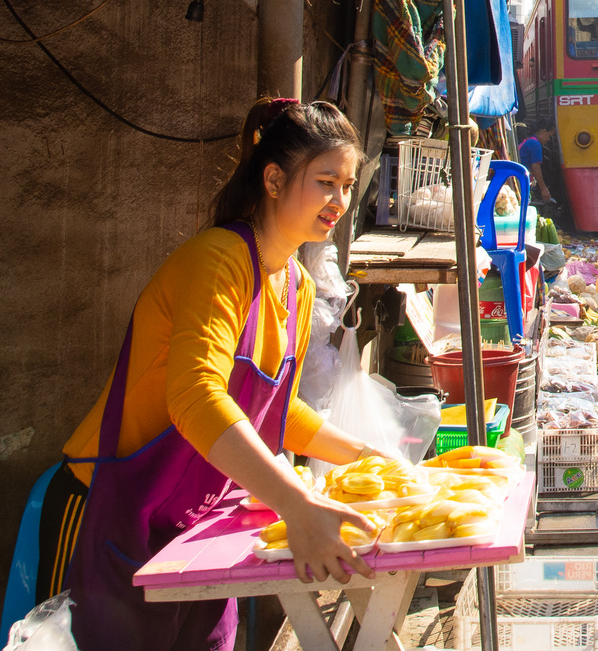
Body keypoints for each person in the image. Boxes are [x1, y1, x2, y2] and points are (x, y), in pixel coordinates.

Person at [40, 99, 375, 648]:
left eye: (347, 184)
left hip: (191, 525)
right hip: (106, 512)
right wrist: (297, 503)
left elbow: (274, 411)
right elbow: (196, 397)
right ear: (273, 178)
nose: (340, 200)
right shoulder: (217, 260)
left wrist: (368, 458)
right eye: (325, 182)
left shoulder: (295, 283)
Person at [517, 123, 555, 204]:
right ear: (543, 132)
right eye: (549, 136)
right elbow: (535, 167)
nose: (548, 139)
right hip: (521, 180)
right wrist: (544, 189)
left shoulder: (530, 141)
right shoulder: (535, 144)